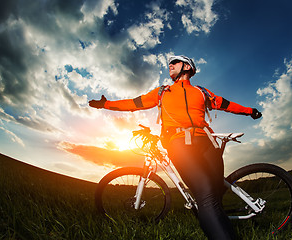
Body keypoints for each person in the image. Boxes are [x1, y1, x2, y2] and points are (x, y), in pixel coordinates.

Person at [89, 55, 262, 239]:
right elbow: (133, 103)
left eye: (175, 62)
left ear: (187, 67)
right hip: (179, 144)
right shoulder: (162, 92)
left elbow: (225, 104)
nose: (169, 65)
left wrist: (250, 111)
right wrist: (106, 104)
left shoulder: (202, 91)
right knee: (206, 197)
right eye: (169, 63)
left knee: (214, 196)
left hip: (208, 143)